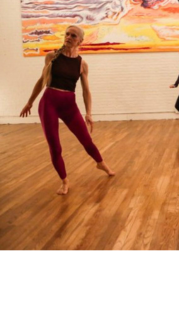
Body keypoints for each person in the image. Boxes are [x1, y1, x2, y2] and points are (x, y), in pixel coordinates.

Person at [19, 25, 115, 196]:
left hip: (69, 105)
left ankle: (100, 163)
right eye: (67, 34)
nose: (69, 37)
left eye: (73, 35)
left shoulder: (82, 64)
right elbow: (41, 81)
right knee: (55, 146)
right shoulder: (52, 57)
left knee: (86, 140)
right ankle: (64, 181)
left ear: (80, 41)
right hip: (49, 103)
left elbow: (86, 90)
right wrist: (30, 102)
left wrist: (88, 113)